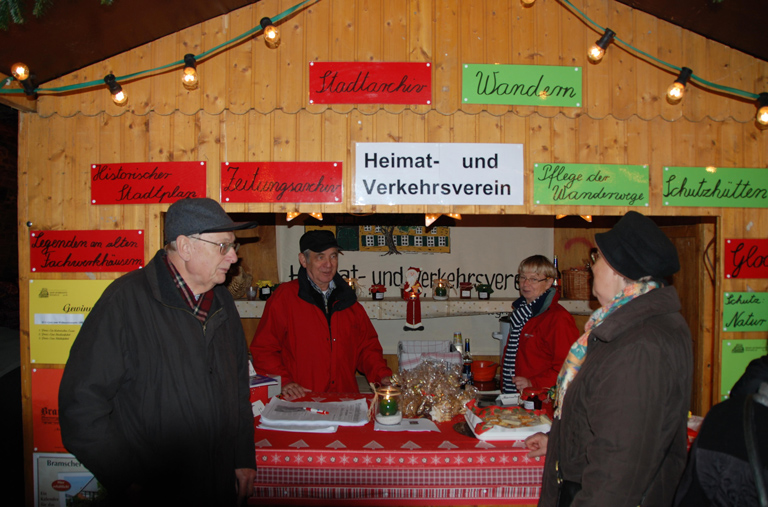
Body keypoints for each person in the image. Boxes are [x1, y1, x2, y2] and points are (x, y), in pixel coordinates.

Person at [59, 198, 259, 506]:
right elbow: (81, 405)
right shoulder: (124, 302)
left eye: (234, 247)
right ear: (185, 246)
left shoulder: (223, 305)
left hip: (219, 485)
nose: (233, 257)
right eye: (223, 246)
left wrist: (242, 456)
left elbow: (237, 392)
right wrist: (125, 478)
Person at [525, 211, 693, 506]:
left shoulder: (640, 345)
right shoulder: (627, 326)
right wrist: (562, 444)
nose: (591, 267)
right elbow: (612, 420)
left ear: (618, 269)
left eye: (597, 258)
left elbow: (618, 470)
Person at [251, 229, 392, 400]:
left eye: (333, 256)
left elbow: (367, 348)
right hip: (302, 399)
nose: (328, 264)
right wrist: (285, 381)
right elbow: (264, 349)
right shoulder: (284, 298)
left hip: (344, 399)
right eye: (320, 257)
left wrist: (381, 376)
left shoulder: (348, 301)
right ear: (303, 260)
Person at [500, 255, 579, 394]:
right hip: (518, 398)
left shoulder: (558, 319)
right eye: (523, 277)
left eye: (534, 279)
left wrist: (533, 383)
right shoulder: (522, 315)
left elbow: (569, 368)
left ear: (549, 283)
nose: (525, 284)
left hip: (542, 401)